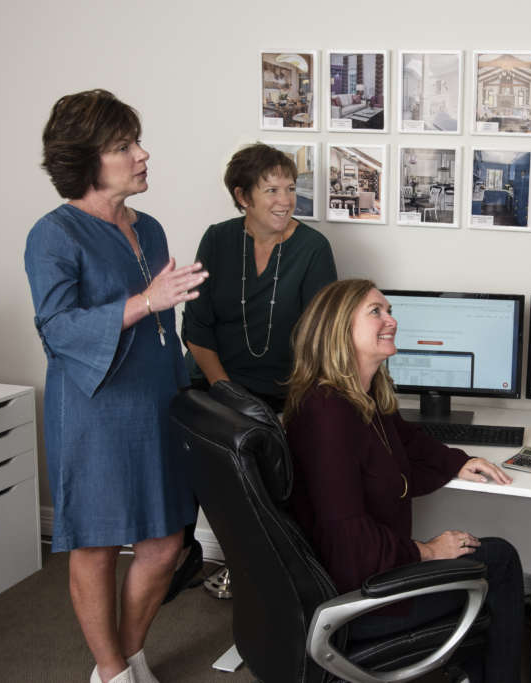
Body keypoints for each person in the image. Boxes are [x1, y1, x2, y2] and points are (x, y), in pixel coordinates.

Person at [24, 89, 209, 683]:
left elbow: (163, 322)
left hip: (160, 401)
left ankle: (122, 659)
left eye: (137, 142)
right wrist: (144, 301)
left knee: (164, 543)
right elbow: (55, 329)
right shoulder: (54, 235)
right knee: (98, 545)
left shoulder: (148, 228)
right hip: (96, 408)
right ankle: (113, 670)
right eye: (125, 146)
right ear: (86, 161)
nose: (143, 154)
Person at [283, 279, 524, 683]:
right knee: (498, 559)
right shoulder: (327, 415)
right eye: (375, 311)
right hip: (361, 599)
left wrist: (460, 461)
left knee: (485, 557)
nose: (391, 320)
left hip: (370, 575)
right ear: (338, 328)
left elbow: (408, 441)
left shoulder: (363, 396)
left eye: (389, 310)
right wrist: (428, 551)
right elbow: (347, 540)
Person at [176, 143, 337, 597]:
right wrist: (224, 390)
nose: (285, 200)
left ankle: (264, 574)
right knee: (185, 462)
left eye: (290, 188)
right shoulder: (218, 239)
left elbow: (319, 339)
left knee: (272, 480)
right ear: (242, 195)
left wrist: (294, 404)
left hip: (281, 392)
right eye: (271, 189)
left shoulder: (312, 248)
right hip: (211, 381)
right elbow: (197, 327)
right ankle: (182, 555)